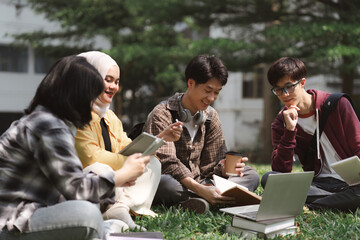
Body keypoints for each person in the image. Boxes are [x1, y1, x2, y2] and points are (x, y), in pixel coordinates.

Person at [0, 55, 150, 240]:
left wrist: (112, 180)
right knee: (86, 214)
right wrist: (120, 176)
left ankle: (105, 230)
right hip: (10, 223)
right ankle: (105, 232)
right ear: (76, 94)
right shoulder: (49, 126)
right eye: (91, 96)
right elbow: (76, 190)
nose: (93, 104)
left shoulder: (46, 120)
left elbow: (67, 184)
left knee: (90, 200)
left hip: (32, 210)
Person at [74, 51, 183, 230]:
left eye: (116, 82)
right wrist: (128, 165)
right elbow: (89, 157)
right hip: (88, 184)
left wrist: (161, 138)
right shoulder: (77, 114)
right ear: (90, 79)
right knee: (99, 169)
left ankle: (121, 207)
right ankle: (113, 207)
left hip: (118, 181)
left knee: (153, 164)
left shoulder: (110, 116)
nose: (113, 87)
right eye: (107, 79)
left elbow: (127, 146)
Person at [143, 54, 260, 213]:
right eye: (208, 90)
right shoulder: (162, 113)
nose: (211, 98)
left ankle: (198, 200)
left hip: (202, 182)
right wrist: (199, 188)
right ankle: (209, 197)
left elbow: (212, 164)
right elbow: (167, 163)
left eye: (217, 92)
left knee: (251, 175)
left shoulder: (211, 116)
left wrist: (224, 169)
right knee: (165, 185)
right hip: (174, 181)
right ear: (191, 83)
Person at [261, 57, 360, 212]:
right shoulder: (281, 122)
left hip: (352, 183)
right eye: (278, 90)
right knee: (270, 179)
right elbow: (281, 171)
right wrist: (289, 130)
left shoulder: (338, 104)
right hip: (318, 185)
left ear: (302, 83)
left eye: (289, 86)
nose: (285, 94)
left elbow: (358, 145)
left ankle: (311, 206)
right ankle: (334, 203)